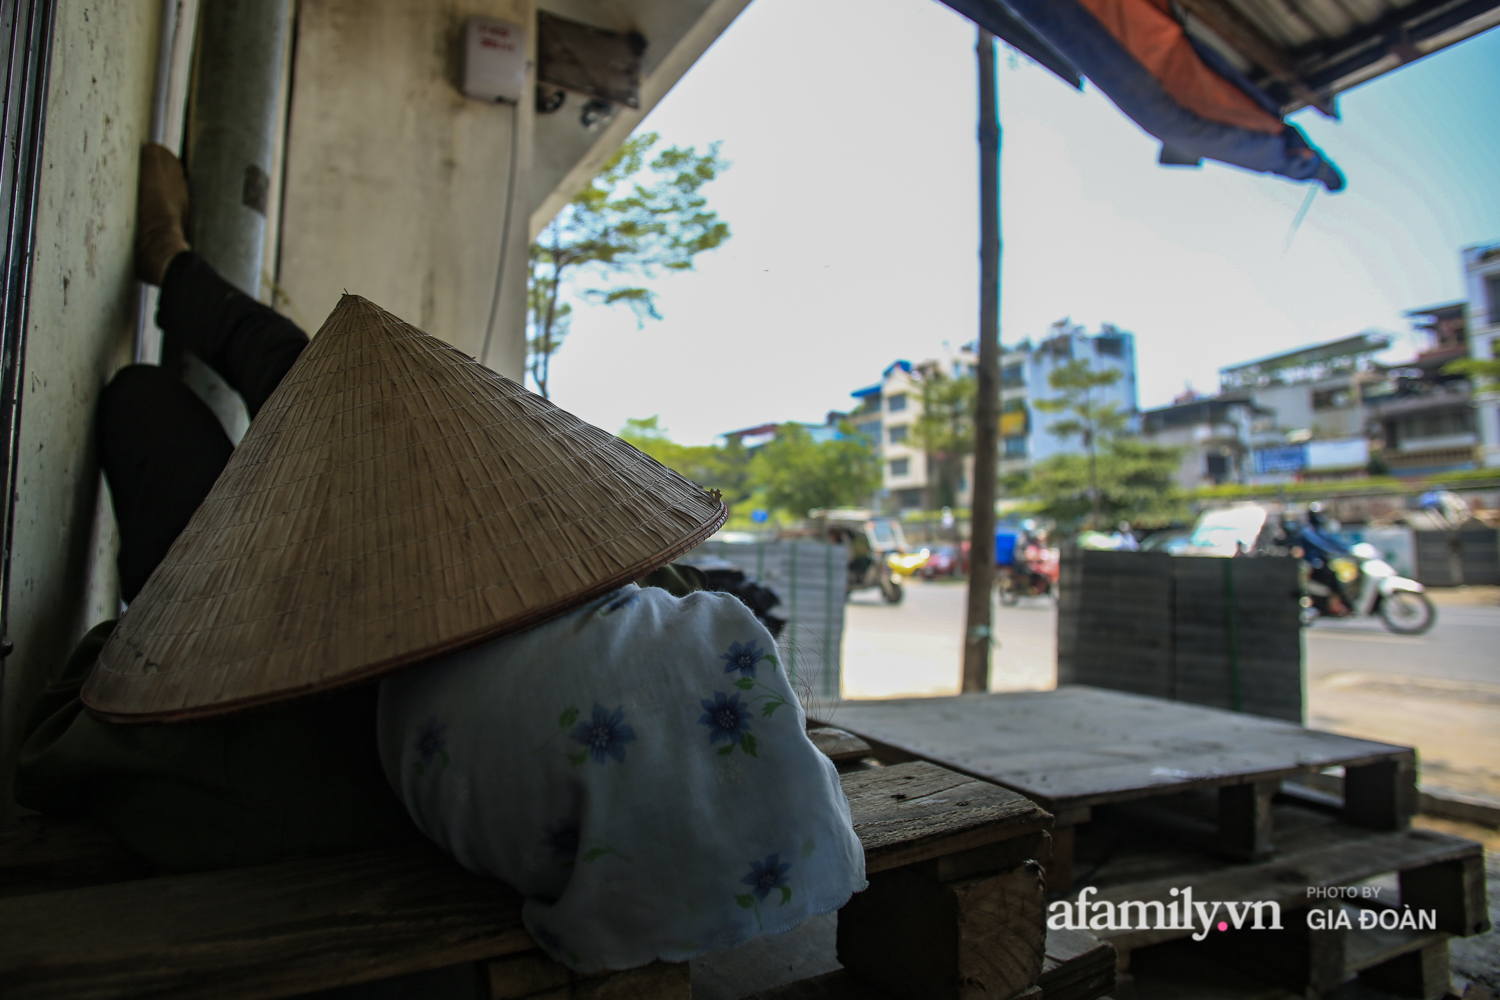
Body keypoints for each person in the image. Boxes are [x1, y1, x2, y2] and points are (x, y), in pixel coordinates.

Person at [16, 146, 864, 973]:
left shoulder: (251, 785)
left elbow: (72, 720)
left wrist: (209, 596)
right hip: (421, 565)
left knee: (154, 402)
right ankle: (176, 266)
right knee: (311, 381)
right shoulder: (620, 648)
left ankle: (177, 268)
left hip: (259, 633)